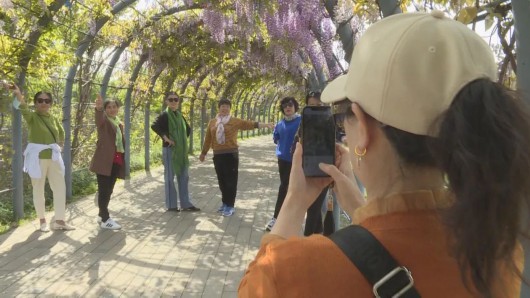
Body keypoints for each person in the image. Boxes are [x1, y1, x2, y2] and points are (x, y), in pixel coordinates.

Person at [239, 11, 528, 297]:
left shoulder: (291, 272)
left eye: (343, 118)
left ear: (362, 128)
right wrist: (361, 208)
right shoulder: (497, 252)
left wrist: (294, 202)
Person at [5, 83, 75, 232]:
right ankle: (42, 221)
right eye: (40, 100)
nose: (43, 103)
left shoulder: (54, 118)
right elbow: (23, 107)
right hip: (37, 158)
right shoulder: (32, 116)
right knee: (38, 189)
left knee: (60, 188)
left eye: (47, 100)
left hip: (54, 157)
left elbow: (61, 133)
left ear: (50, 103)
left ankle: (60, 221)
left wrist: (59, 146)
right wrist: (18, 93)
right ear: (36, 103)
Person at [199, 98, 274, 217]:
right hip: (217, 155)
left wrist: (265, 125)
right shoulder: (213, 122)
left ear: (230, 109)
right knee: (222, 181)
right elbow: (208, 139)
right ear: (219, 108)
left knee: (230, 181)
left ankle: (230, 206)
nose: (224, 108)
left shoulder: (234, 121)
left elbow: (249, 124)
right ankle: (224, 203)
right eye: (222, 106)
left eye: (227, 106)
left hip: (231, 155)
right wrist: (203, 153)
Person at [151, 92, 200, 212]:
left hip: (181, 151)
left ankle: (186, 203)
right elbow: (154, 126)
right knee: (169, 177)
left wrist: (181, 140)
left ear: (178, 102)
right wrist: (166, 138)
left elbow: (187, 129)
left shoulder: (179, 115)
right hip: (169, 150)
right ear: (166, 102)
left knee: (184, 176)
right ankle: (171, 205)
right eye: (170, 100)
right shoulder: (165, 115)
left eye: (176, 100)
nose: (173, 102)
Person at [265, 97, 301, 231]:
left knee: (294, 188)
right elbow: (276, 138)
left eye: (290, 105)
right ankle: (278, 218)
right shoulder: (280, 124)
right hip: (283, 159)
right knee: (284, 187)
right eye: (285, 106)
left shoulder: (301, 121)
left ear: (295, 107)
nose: (288, 107)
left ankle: (289, 218)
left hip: (298, 160)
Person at [89, 94, 125, 230]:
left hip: (116, 160)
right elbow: (99, 120)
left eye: (114, 107)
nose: (112, 109)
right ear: (105, 110)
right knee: (104, 190)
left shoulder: (119, 123)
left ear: (118, 108)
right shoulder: (104, 122)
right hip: (104, 161)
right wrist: (98, 109)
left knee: (109, 190)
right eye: (108, 107)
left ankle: (101, 214)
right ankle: (105, 219)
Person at [301, 91, 329, 236]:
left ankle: (308, 237)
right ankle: (318, 234)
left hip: (325, 169)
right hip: (308, 167)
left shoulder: (330, 122)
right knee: (313, 205)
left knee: (314, 206)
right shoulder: (304, 122)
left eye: (319, 105)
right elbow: (299, 143)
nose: (315, 108)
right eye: (311, 105)